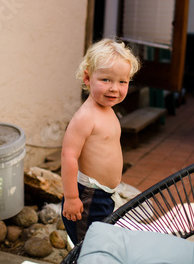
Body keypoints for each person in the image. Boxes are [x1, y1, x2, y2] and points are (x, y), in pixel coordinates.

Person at [61, 38, 140, 245]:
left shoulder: (108, 111)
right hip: (88, 198)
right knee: (88, 248)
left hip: (104, 196)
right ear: (87, 78)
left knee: (99, 245)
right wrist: (71, 198)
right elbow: (69, 156)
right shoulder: (86, 116)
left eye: (122, 81)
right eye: (106, 80)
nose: (114, 88)